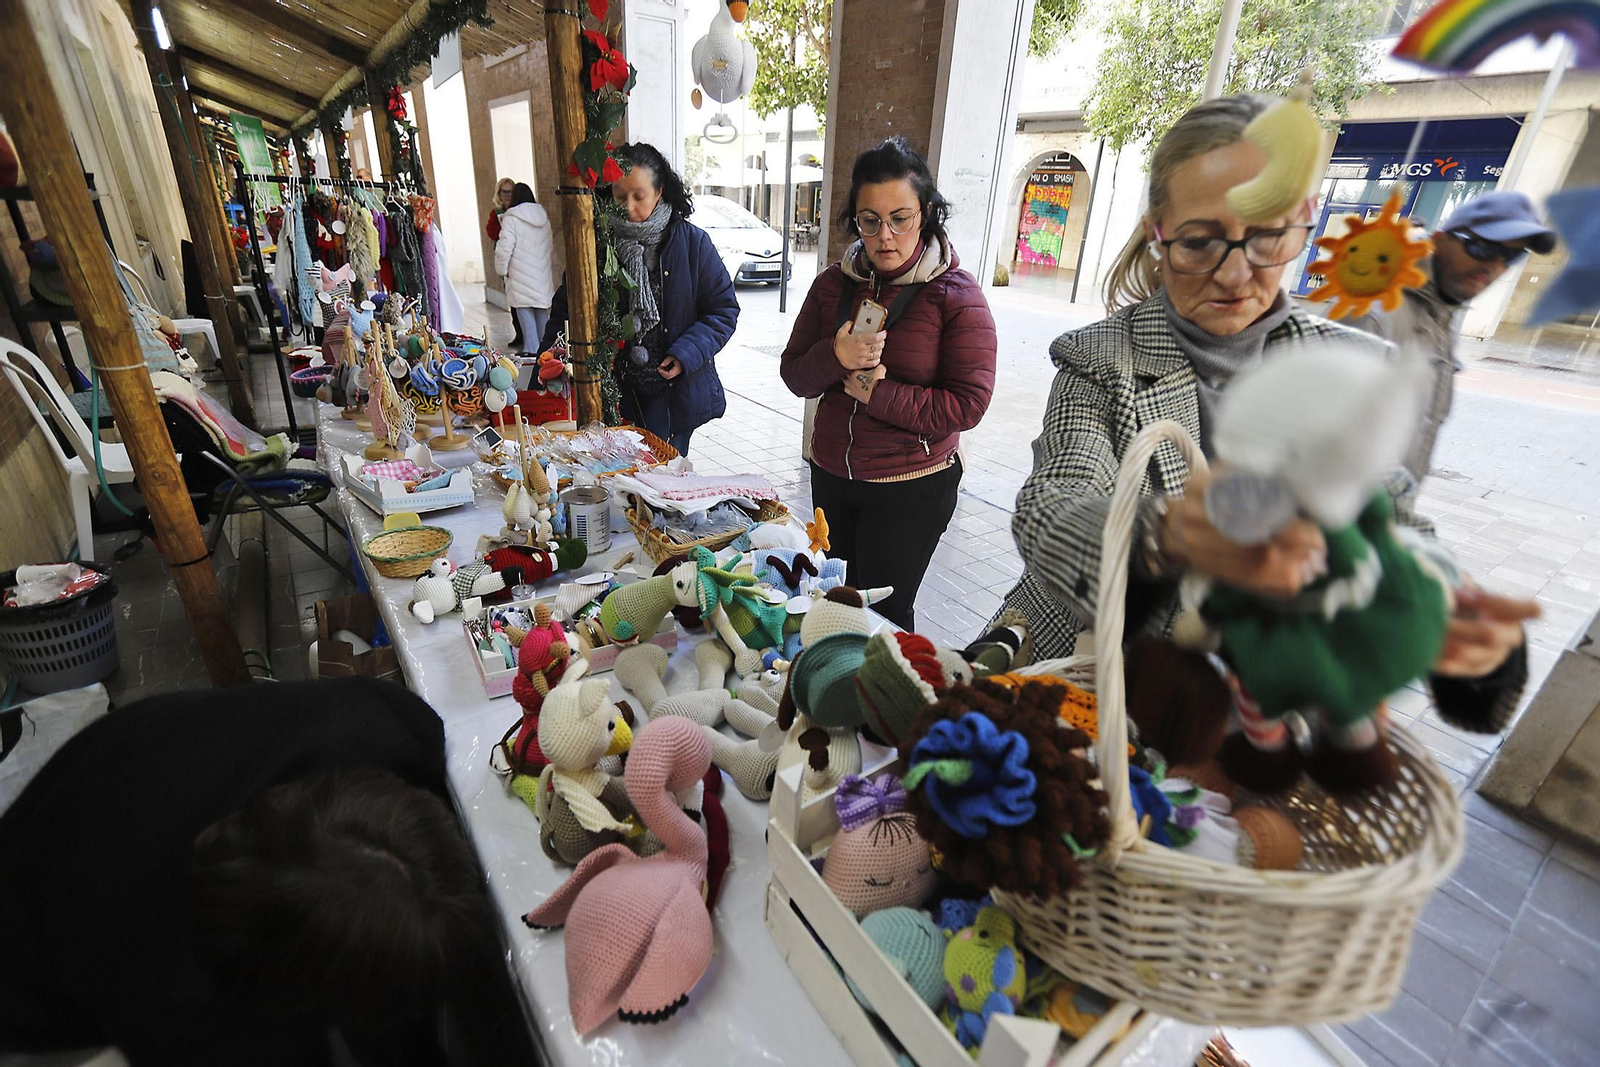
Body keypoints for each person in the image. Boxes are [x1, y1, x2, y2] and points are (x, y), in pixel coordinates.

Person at [996, 94, 1534, 732]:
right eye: (1199, 243)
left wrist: (1447, 611)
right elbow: (1052, 504)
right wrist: (1162, 533)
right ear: (1157, 233)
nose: (1233, 275)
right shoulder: (1102, 359)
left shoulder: (1353, 368)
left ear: (1304, 227)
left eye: (1268, 238)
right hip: (1080, 675)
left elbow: (1393, 518)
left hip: (1249, 710)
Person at [0, 678, 530, 1067]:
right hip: (29, 974)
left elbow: (414, 920)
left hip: (129, 773)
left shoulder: (386, 728)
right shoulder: (172, 991)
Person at [779, 135, 997, 632]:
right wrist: (835, 355)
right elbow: (795, 374)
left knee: (882, 620)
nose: (886, 236)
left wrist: (879, 394)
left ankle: (881, 707)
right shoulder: (833, 284)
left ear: (926, 214)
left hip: (910, 486)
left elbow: (969, 403)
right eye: (869, 220)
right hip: (832, 475)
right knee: (833, 603)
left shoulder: (954, 295)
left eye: (901, 218)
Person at [1335, 192, 1556, 484]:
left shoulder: (1443, 312)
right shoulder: (1371, 311)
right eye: (1481, 248)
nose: (1494, 267)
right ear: (1439, 240)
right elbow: (1318, 442)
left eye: (1511, 257)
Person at [542, 142, 739, 454]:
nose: (629, 206)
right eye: (620, 197)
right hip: (612, 391)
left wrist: (686, 353)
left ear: (659, 191)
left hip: (672, 392)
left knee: (662, 477)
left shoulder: (693, 244)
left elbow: (723, 310)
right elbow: (567, 308)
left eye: (639, 196)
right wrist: (548, 358)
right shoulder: (593, 246)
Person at [493, 182, 555, 354]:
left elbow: (504, 248)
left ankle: (532, 353)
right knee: (543, 317)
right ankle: (547, 355)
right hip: (541, 276)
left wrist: (502, 270)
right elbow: (549, 245)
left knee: (526, 318)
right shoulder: (543, 217)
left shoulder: (511, 218)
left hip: (519, 276)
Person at [484, 176, 521, 347]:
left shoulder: (520, 210)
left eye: (510, 192)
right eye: (504, 191)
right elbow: (491, 233)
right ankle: (519, 332)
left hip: (520, 259)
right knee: (512, 298)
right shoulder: (496, 212)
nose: (507, 195)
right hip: (505, 260)